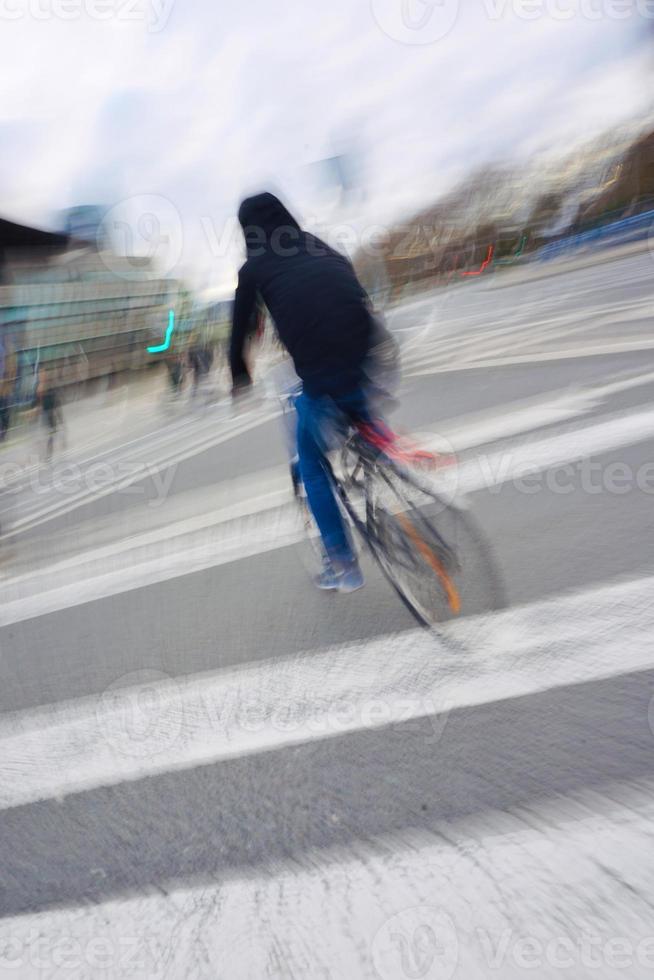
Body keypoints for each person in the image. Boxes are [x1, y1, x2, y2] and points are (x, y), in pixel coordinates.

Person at [229, 191, 377, 592]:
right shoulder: (318, 244)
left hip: (321, 372)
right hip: (369, 353)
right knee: (352, 393)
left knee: (310, 462)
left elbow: (240, 329)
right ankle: (373, 439)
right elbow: (352, 291)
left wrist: (239, 379)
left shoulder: (254, 269)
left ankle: (343, 564)